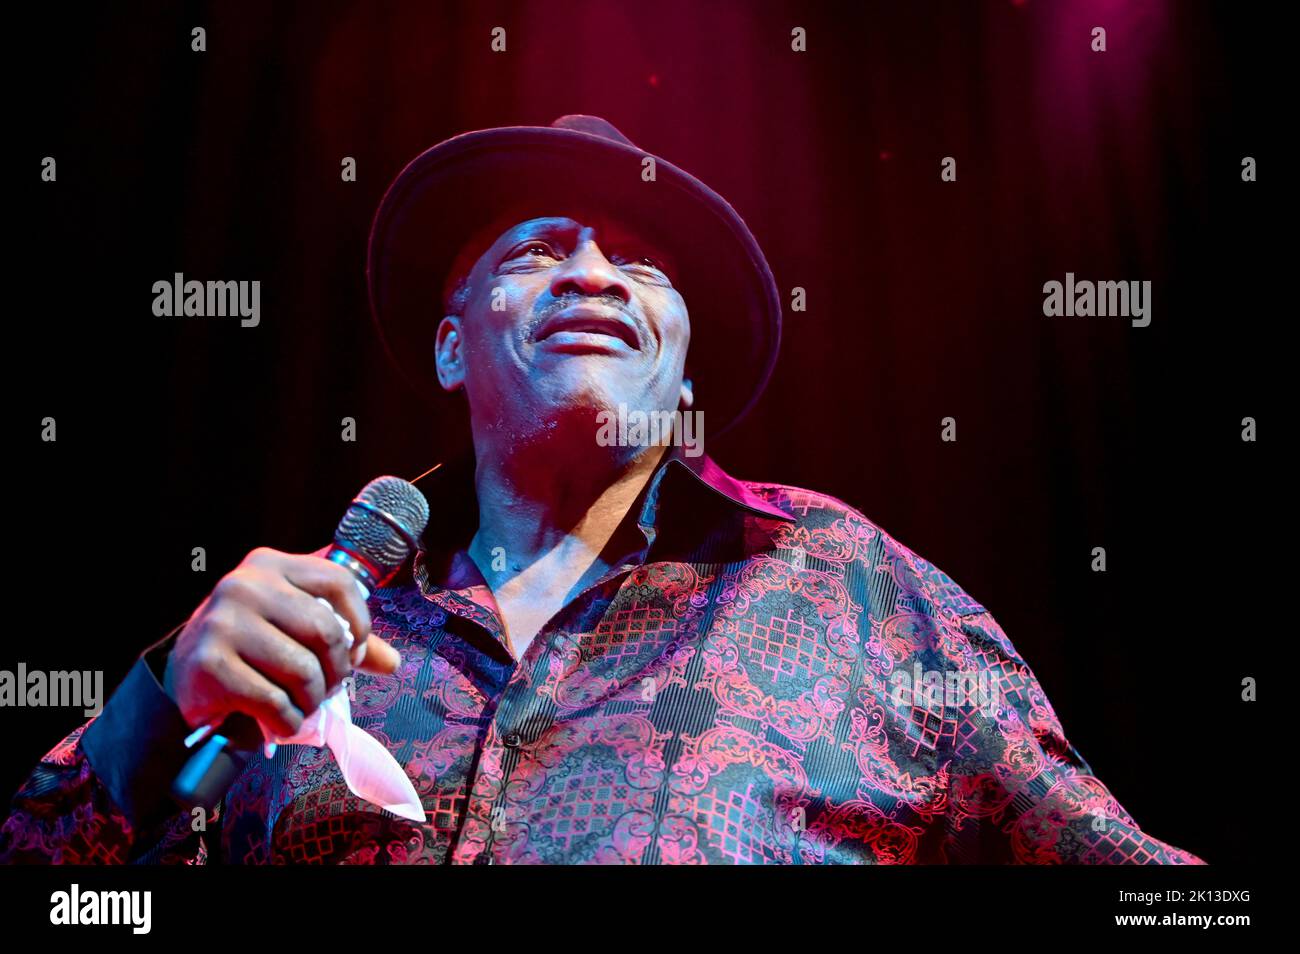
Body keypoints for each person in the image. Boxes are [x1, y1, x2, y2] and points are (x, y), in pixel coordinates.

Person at [0, 115, 1203, 864]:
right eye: (535, 251)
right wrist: (156, 713)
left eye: (639, 265)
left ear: (677, 358)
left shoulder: (848, 583)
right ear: (450, 346)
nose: (593, 275)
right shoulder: (304, 632)